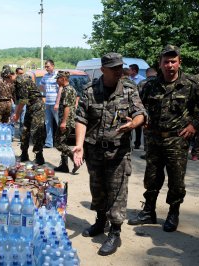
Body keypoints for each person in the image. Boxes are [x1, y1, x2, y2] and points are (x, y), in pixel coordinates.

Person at [128, 45, 199, 233]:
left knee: (176, 180)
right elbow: (138, 107)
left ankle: (173, 213)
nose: (169, 65)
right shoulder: (150, 85)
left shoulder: (192, 83)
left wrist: (193, 125)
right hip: (154, 140)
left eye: (173, 61)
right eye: (166, 61)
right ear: (160, 64)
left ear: (179, 62)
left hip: (177, 141)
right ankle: (149, 210)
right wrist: (142, 120)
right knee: (151, 177)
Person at [73, 52, 146, 256]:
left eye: (120, 67)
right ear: (103, 69)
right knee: (97, 189)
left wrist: (133, 123)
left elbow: (141, 112)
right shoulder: (89, 90)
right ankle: (100, 221)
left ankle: (115, 231)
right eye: (113, 68)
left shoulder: (129, 88)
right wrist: (79, 145)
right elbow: (81, 119)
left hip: (118, 151)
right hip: (94, 150)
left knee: (117, 191)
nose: (118, 71)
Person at [11, 73, 46, 165]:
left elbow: (23, 100)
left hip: (37, 106)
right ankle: (24, 154)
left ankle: (39, 156)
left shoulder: (21, 80)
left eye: (7, 80)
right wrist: (16, 112)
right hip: (30, 106)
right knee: (25, 130)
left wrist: (17, 114)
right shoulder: (17, 82)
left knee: (37, 132)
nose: (8, 82)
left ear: (10, 76)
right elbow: (19, 100)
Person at [52, 71, 79, 173]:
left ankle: (74, 158)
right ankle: (64, 165)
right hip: (69, 120)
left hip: (66, 121)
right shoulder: (70, 89)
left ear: (63, 79)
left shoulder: (67, 90)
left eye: (58, 78)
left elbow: (67, 107)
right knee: (63, 142)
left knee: (58, 143)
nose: (56, 80)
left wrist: (63, 122)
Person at [137, 67, 158, 159]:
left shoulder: (142, 83)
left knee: (147, 132)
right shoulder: (161, 81)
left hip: (147, 112)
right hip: (160, 112)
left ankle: (148, 152)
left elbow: (138, 99)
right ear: (155, 73)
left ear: (146, 74)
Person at [40, 59, 59, 148]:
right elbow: (41, 86)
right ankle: (49, 143)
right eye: (45, 67)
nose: (46, 68)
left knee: (59, 123)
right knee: (48, 123)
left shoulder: (57, 75)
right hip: (47, 103)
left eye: (48, 66)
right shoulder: (45, 76)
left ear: (53, 65)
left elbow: (60, 90)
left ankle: (60, 142)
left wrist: (57, 103)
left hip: (55, 104)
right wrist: (46, 91)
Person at [15, 67, 26, 139]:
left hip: (24, 102)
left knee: (23, 121)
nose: (22, 75)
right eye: (20, 74)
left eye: (22, 73)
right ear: (16, 73)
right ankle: (12, 136)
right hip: (16, 102)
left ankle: (21, 137)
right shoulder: (14, 82)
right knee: (15, 120)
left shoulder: (25, 81)